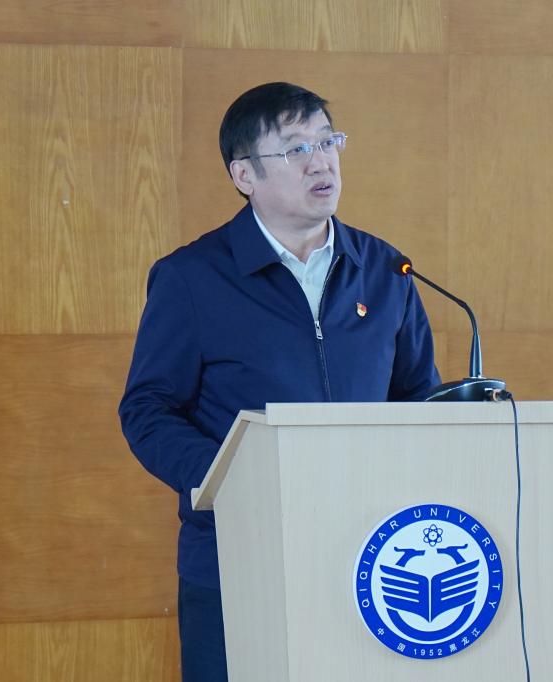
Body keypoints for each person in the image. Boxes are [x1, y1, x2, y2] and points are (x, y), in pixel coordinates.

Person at [118, 82, 440, 681]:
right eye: (296, 149)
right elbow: (148, 409)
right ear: (245, 175)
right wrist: (230, 478)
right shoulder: (192, 278)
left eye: (328, 142)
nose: (321, 162)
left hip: (370, 557)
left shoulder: (386, 270)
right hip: (238, 557)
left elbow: (420, 400)